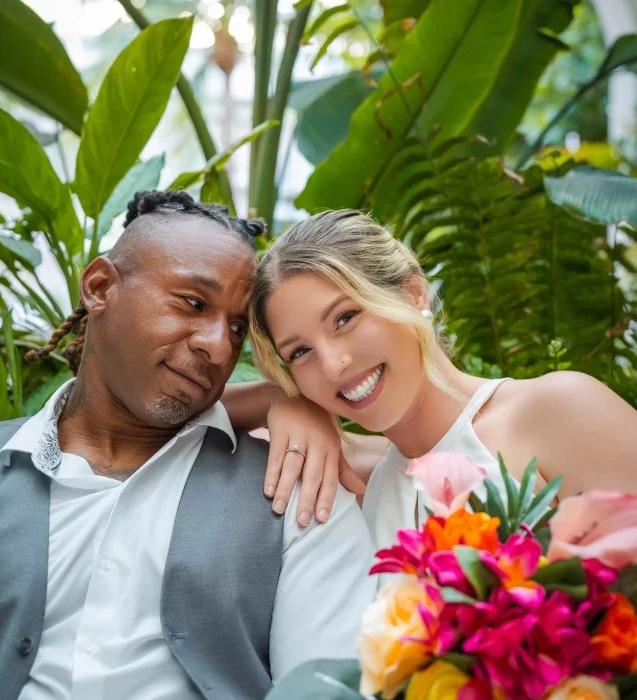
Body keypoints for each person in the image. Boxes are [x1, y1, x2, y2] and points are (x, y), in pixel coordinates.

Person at [0, 192, 376, 700]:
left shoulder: (299, 490)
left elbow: (324, 686)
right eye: (192, 303)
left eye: (237, 329)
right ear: (100, 287)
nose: (217, 346)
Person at [230, 209, 637, 549]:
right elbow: (176, 418)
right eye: (300, 352)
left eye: (345, 318)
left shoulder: (555, 412)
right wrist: (278, 400)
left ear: (414, 294)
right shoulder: (358, 475)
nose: (333, 365)